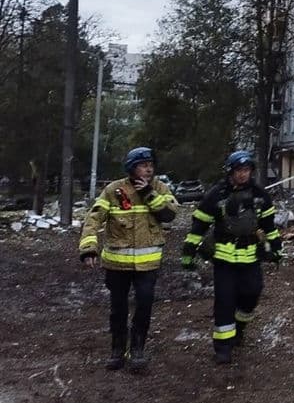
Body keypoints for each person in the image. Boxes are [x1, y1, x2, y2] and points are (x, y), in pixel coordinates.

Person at [78, 146, 178, 373]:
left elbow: (170, 214)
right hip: (116, 263)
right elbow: (93, 219)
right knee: (118, 308)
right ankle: (117, 350)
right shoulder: (114, 190)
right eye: (144, 165)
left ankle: (138, 350)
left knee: (144, 305)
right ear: (132, 167)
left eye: (151, 165)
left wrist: (148, 194)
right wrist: (88, 248)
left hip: (148, 263)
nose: (148, 169)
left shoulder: (160, 188)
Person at [181, 150, 282, 364]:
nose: (243, 175)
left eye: (246, 170)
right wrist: (189, 251)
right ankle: (223, 346)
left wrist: (276, 249)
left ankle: (240, 326)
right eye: (239, 170)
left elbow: (269, 226)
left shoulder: (259, 195)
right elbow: (199, 225)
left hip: (251, 257)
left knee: (252, 294)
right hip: (224, 259)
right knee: (225, 301)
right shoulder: (217, 195)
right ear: (230, 171)